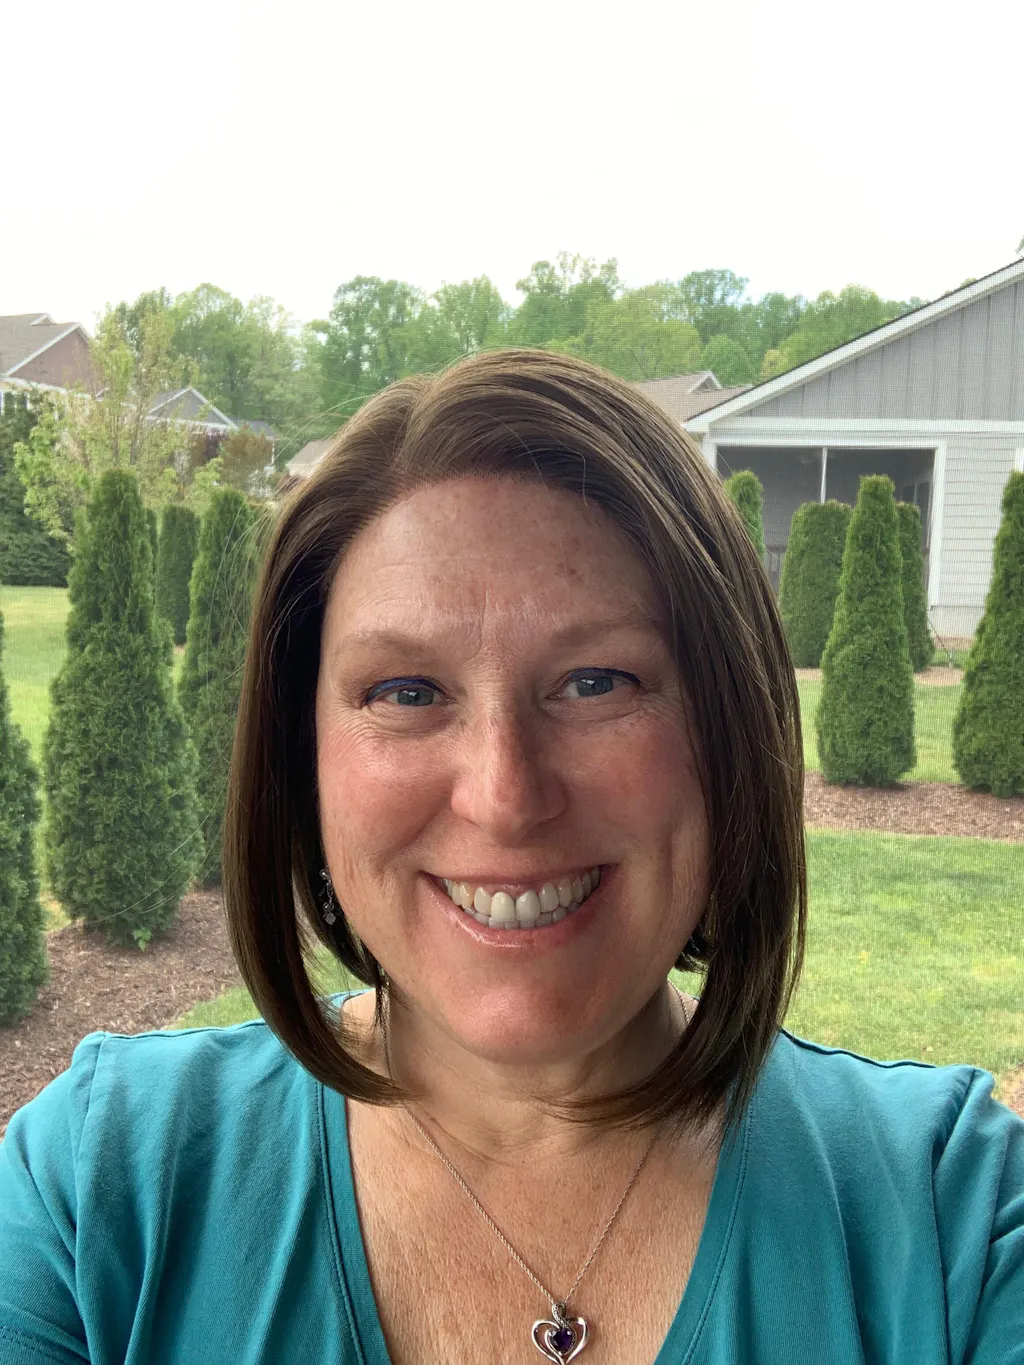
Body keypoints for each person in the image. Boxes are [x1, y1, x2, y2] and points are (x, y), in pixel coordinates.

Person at [0, 350, 1021, 1365]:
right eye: (406, 692)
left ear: (729, 733)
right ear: (301, 763)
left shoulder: (952, 1219)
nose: (504, 795)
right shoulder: (96, 1192)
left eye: (596, 681)